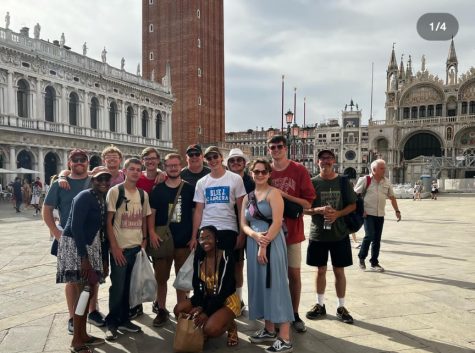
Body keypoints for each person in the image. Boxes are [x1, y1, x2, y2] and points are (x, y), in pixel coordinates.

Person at [43, 149, 105, 334]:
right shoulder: (60, 184)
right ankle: (72, 317)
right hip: (69, 239)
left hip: (93, 238)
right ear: (69, 163)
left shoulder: (96, 180)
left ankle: (93, 311)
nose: (79, 163)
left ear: (88, 162)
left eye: (83, 160)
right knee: (71, 280)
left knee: (93, 278)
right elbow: (47, 211)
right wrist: (57, 234)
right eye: (75, 160)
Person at [56, 167, 112, 353]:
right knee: (81, 293)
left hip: (91, 246)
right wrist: (84, 258)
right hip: (76, 247)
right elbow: (75, 227)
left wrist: (103, 258)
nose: (103, 182)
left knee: (87, 292)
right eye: (99, 179)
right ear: (92, 180)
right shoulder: (84, 196)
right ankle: (76, 341)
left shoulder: (101, 198)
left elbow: (101, 231)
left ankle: (83, 335)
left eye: (107, 179)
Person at [241, 159, 294, 353]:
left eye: (264, 171)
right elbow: (244, 223)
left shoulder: (274, 194)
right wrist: (254, 236)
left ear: (269, 174)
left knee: (276, 285)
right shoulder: (248, 197)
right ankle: (269, 329)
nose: (260, 174)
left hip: (272, 243)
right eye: (256, 171)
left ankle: (285, 337)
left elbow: (277, 222)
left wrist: (263, 244)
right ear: (251, 173)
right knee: (260, 284)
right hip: (254, 241)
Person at [267, 135, 316, 333]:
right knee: (273, 276)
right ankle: (277, 313)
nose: (276, 150)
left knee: (293, 274)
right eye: (273, 147)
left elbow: (308, 203)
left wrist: (284, 195)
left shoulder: (298, 170)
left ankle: (294, 313)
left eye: (279, 146)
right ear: (269, 150)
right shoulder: (265, 170)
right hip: (269, 233)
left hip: (292, 232)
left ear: (286, 148)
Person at [303, 149, 357, 325]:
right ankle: (320, 304)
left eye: (328, 158)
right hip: (319, 234)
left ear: (334, 160)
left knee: (339, 271)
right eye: (322, 158)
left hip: (339, 234)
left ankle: (341, 307)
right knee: (320, 270)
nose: (325, 161)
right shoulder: (312, 183)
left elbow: (353, 205)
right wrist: (317, 210)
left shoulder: (342, 181)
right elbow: (304, 208)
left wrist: (338, 214)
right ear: (317, 162)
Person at [105, 158, 152, 341]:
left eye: (138, 169)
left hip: (136, 248)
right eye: (131, 169)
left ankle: (124, 319)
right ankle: (111, 322)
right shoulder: (115, 191)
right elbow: (108, 222)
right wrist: (114, 248)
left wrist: (145, 241)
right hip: (121, 249)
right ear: (124, 171)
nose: (135, 172)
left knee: (131, 288)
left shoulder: (142, 194)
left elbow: (144, 219)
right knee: (117, 287)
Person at [147, 153, 195, 327]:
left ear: (180, 166)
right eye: (169, 165)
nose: (173, 168)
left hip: (184, 241)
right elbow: (152, 213)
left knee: (182, 279)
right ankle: (161, 309)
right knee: (161, 278)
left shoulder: (189, 188)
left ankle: (182, 310)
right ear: (165, 167)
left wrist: (194, 236)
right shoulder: (158, 190)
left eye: (176, 165)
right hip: (162, 240)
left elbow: (194, 213)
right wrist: (151, 233)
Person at [173, 225, 240, 347]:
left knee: (210, 329)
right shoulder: (199, 258)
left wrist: (206, 312)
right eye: (201, 238)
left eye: (208, 237)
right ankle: (203, 329)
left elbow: (223, 291)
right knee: (179, 309)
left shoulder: (226, 257)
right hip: (207, 298)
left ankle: (231, 324)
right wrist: (199, 306)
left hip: (226, 300)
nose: (205, 241)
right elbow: (197, 287)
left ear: (216, 239)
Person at [191, 146, 246, 254]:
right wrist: (194, 236)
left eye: (215, 156)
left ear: (221, 158)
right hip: (206, 229)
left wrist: (242, 234)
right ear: (206, 161)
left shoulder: (236, 179)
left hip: (228, 228)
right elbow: (198, 211)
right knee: (204, 269)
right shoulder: (201, 182)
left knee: (226, 268)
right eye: (209, 158)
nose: (213, 160)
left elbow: (241, 209)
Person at [355, 159, 401, 272]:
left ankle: (374, 262)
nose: (384, 170)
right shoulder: (365, 180)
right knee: (369, 235)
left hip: (380, 214)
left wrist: (397, 211)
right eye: (382, 168)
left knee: (377, 239)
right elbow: (355, 195)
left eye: (384, 168)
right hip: (367, 213)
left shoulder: (386, 181)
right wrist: (361, 210)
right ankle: (361, 257)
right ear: (374, 169)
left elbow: (392, 197)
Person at [226, 148, 255, 312]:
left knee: (250, 266)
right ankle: (236, 300)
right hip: (231, 228)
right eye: (232, 161)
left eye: (239, 160)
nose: (236, 163)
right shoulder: (225, 180)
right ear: (228, 164)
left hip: (251, 229)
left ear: (244, 163)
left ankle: (246, 299)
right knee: (235, 265)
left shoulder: (252, 182)